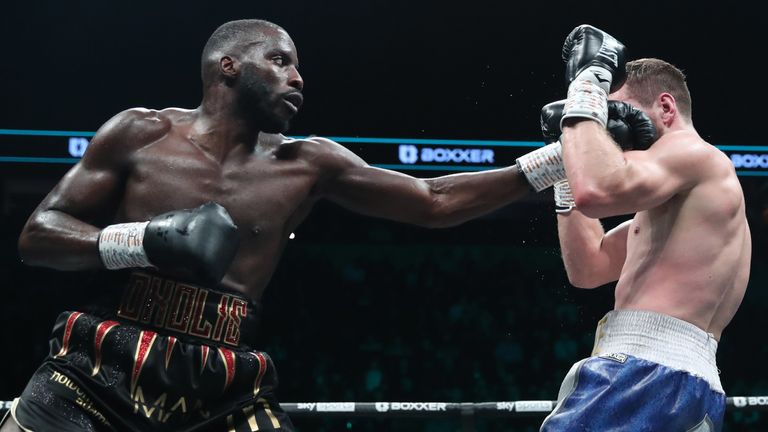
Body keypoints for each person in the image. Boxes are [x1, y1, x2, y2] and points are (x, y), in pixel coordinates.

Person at [1, 18, 639, 432]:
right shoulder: (139, 132)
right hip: (96, 372)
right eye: (280, 61)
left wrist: (562, 156)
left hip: (222, 386)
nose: (298, 77)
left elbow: (433, 199)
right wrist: (142, 240)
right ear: (228, 66)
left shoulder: (308, 162)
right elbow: (39, 235)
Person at [540, 25, 752, 431]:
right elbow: (588, 267)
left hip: (643, 373)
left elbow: (597, 191)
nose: (607, 129)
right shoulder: (679, 204)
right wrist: (566, 169)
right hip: (681, 382)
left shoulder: (693, 153)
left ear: (666, 109)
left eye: (616, 112)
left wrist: (585, 92)